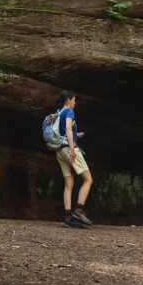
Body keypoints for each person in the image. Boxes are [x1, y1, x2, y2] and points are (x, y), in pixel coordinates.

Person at [55, 90, 93, 227]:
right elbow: (68, 129)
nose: (75, 103)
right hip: (68, 149)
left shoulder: (58, 113)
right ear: (68, 100)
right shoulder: (69, 112)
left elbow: (63, 131)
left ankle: (68, 217)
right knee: (88, 179)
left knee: (68, 183)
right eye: (74, 100)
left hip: (59, 151)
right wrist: (72, 149)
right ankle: (79, 210)